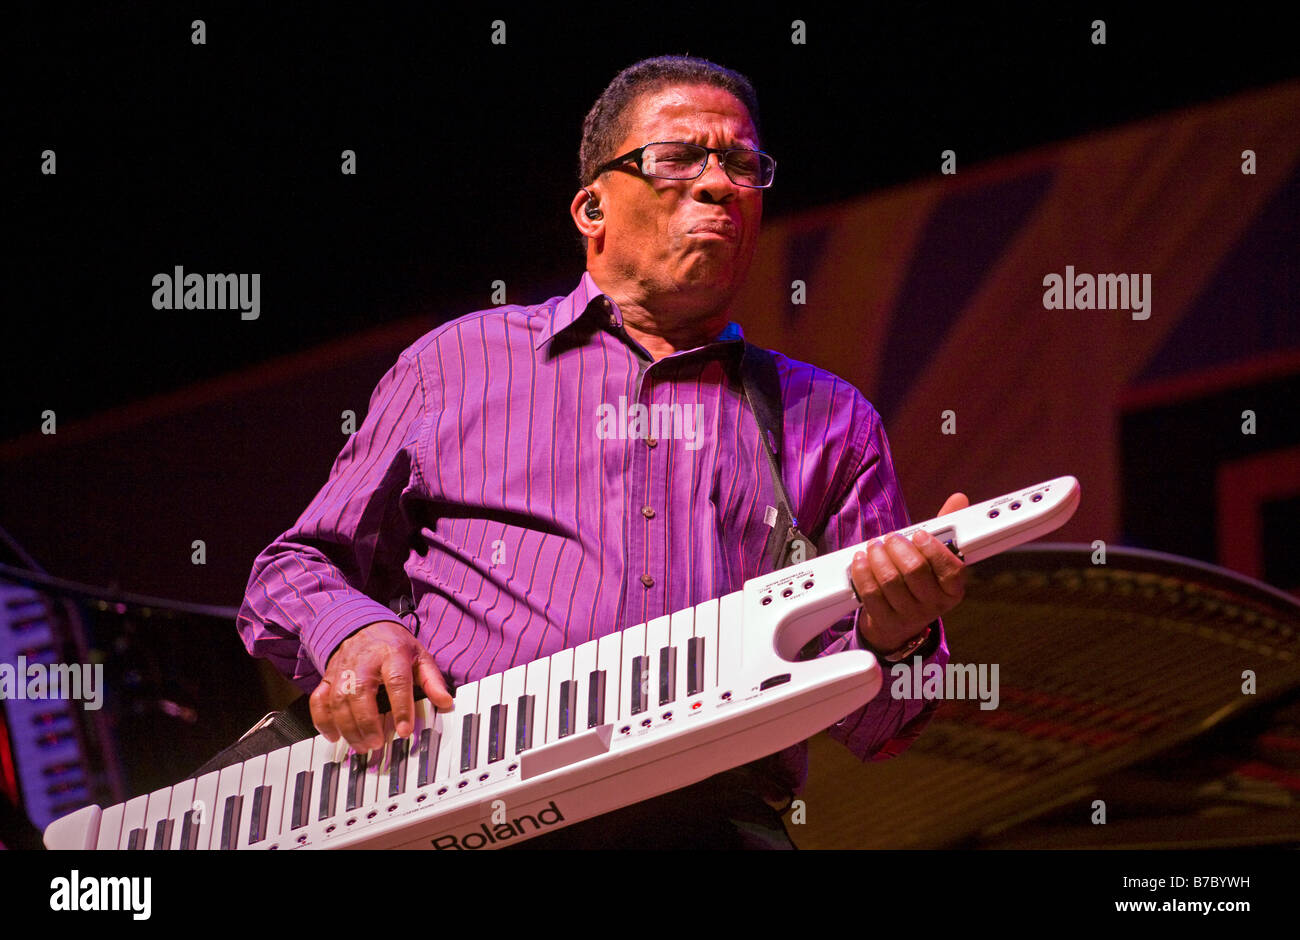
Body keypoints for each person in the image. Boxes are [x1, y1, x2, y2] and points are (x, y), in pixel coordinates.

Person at [237, 55, 967, 849]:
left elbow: (882, 726)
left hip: (707, 821)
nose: (719, 184)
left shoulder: (832, 420)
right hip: (457, 800)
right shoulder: (455, 363)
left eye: (743, 164)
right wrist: (353, 633)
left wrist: (897, 635)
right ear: (592, 208)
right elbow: (293, 568)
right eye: (680, 157)